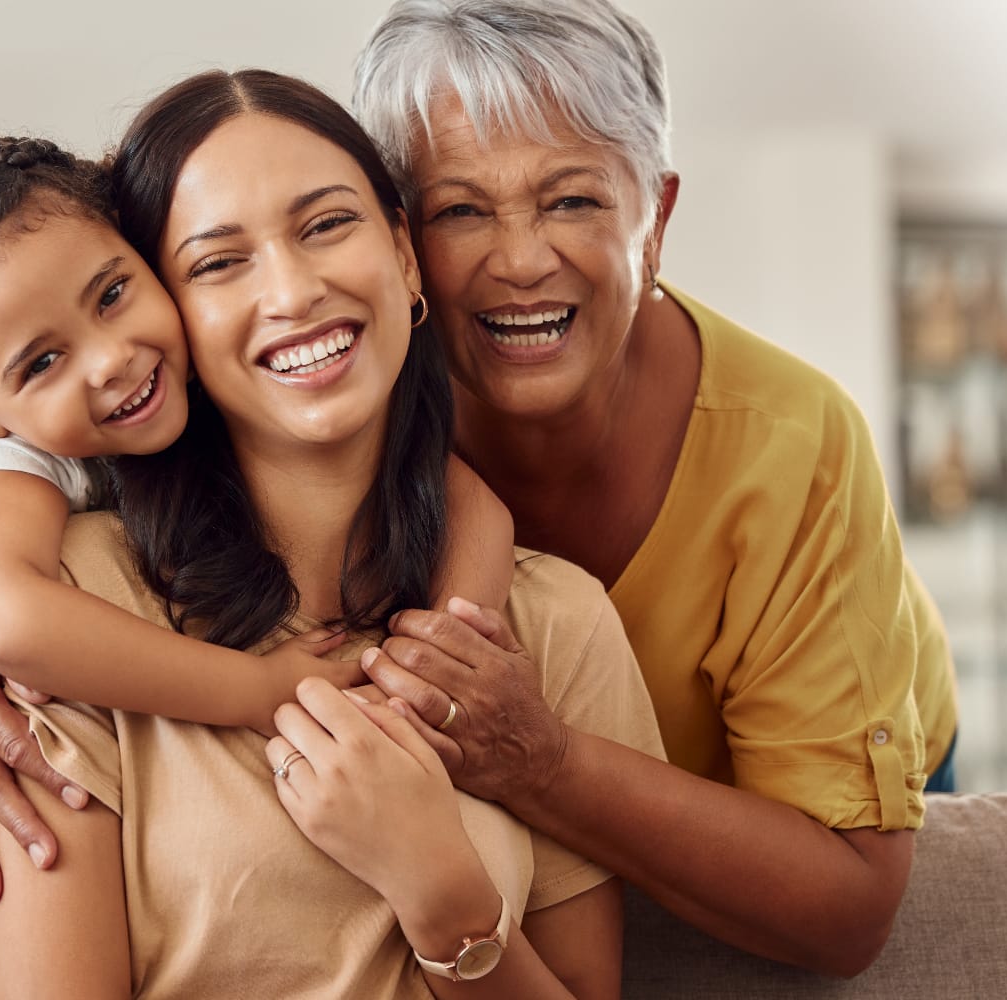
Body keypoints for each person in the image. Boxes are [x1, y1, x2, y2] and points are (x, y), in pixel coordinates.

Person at [0, 67, 661, 997]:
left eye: (327, 225)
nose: (292, 291)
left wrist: (439, 887)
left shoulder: (558, 622)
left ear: (405, 257)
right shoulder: (83, 600)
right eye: (218, 262)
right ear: (168, 316)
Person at [0, 133, 515, 997]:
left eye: (112, 294)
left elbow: (466, 497)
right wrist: (259, 691)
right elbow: (11, 625)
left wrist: (448, 663)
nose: (110, 359)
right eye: (42, 361)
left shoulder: (206, 391)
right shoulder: (10, 466)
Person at [345, 0, 958, 977]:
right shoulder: (345, 410)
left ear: (657, 217)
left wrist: (540, 762)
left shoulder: (797, 440)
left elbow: (846, 908)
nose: (520, 260)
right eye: (462, 209)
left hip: (856, 761)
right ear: (401, 240)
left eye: (573, 201)